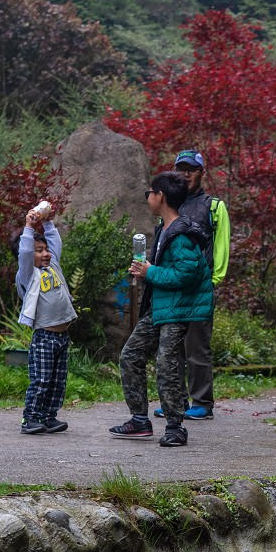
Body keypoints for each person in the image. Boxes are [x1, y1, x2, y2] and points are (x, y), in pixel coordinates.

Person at [109, 171, 213, 447]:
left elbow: (186, 274)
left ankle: (176, 427)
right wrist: (147, 272)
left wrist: (151, 272)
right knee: (130, 355)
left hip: (177, 309)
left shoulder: (181, 234)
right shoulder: (164, 229)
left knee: (166, 365)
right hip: (160, 307)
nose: (148, 198)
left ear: (161, 197)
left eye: (149, 193)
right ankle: (140, 421)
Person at [153, 149, 230, 422]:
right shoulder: (170, 204)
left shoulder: (213, 206)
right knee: (174, 348)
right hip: (173, 287)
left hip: (200, 288)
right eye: (181, 169)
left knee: (197, 348)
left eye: (191, 169)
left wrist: (214, 280)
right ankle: (176, 402)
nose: (186, 174)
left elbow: (221, 245)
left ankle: (202, 403)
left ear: (201, 172)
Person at [11, 206, 77, 434]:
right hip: (44, 338)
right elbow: (25, 253)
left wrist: (48, 222)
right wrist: (28, 227)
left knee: (58, 382)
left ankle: (49, 417)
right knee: (40, 380)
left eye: (45, 249)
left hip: (62, 337)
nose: (45, 254)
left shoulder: (53, 265)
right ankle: (30, 418)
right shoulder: (28, 275)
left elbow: (55, 243)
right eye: (39, 251)